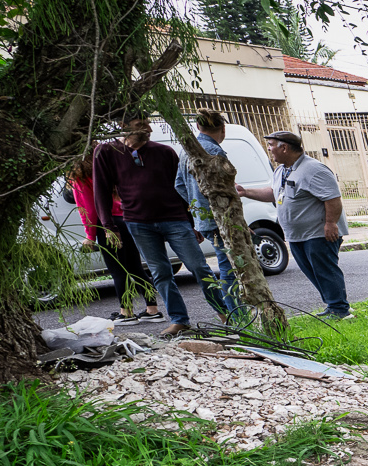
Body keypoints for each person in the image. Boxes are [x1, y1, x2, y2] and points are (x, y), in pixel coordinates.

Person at [94, 116, 232, 336]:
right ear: (123, 126)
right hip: (138, 223)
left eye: (148, 124)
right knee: (160, 272)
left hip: (175, 218)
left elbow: (182, 187)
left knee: (198, 266)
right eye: (141, 125)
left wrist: (192, 221)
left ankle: (225, 315)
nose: (149, 129)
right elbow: (100, 190)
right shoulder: (106, 152)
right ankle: (179, 320)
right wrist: (108, 225)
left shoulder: (165, 152)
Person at [241, 130, 351, 319]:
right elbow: (274, 193)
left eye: (271, 145)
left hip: (318, 233)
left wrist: (331, 223)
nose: (269, 150)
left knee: (325, 270)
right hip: (297, 234)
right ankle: (333, 305)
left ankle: (340, 309)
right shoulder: (281, 170)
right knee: (312, 271)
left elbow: (332, 198)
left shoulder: (313, 169)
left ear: (284, 147)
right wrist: (245, 192)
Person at [70, 151, 159, 324]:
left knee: (118, 270)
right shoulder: (106, 168)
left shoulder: (79, 175)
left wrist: (90, 235)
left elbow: (88, 207)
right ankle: (152, 309)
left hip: (107, 225)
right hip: (125, 220)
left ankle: (126, 313)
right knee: (135, 267)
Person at [173, 111, 238, 291]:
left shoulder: (186, 150)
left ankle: (233, 309)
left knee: (224, 260)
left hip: (203, 219)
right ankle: (235, 311)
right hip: (220, 215)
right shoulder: (215, 151)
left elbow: (179, 184)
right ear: (223, 129)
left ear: (198, 126)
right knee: (229, 266)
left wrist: (196, 204)